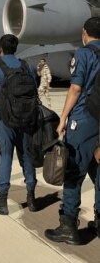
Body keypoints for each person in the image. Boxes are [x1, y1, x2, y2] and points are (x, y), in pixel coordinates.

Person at [45, 17, 100, 245]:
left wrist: (63, 118)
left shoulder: (84, 53)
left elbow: (75, 88)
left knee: (73, 170)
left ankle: (68, 225)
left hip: (84, 119)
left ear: (84, 32)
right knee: (97, 171)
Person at [0, 34, 38, 215]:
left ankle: (2, 200)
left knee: (5, 155)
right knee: (26, 156)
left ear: (0, 48)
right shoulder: (25, 65)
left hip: (5, 120)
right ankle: (31, 196)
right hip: (27, 118)